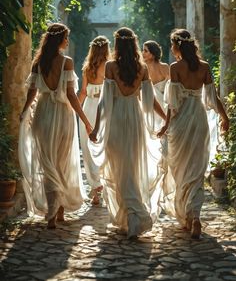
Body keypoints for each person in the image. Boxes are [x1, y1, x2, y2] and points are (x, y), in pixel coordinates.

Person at [88, 27, 166, 239]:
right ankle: (131, 216)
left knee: (118, 168)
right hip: (134, 120)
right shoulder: (142, 68)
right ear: (133, 44)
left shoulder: (111, 66)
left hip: (115, 121)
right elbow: (150, 101)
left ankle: (132, 215)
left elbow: (104, 102)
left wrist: (96, 128)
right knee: (130, 167)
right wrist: (166, 119)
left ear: (117, 44)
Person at [18, 23, 92, 229]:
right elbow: (70, 94)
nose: (67, 41)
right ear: (60, 40)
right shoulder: (66, 63)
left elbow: (32, 92)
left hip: (42, 113)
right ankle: (57, 212)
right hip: (62, 115)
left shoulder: (38, 62)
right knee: (61, 162)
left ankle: (54, 211)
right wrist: (85, 120)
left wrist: (25, 111)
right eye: (66, 37)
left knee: (47, 162)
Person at [157, 28, 229, 239]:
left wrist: (166, 125)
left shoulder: (175, 67)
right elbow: (213, 97)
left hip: (181, 122)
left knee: (180, 169)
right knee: (197, 169)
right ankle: (195, 216)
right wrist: (225, 118)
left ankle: (188, 215)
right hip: (198, 119)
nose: (171, 48)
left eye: (172, 44)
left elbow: (172, 103)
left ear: (177, 46)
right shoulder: (204, 67)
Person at [78, 36, 111, 205]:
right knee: (105, 147)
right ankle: (105, 185)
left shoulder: (87, 68)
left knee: (88, 148)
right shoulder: (110, 67)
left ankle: (95, 189)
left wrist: (75, 109)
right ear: (106, 49)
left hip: (89, 109)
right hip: (105, 109)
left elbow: (82, 92)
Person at [142, 40, 169, 130]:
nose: (142, 53)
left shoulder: (164, 67)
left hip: (162, 105)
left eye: (145, 51)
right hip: (148, 106)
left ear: (153, 53)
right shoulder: (142, 69)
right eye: (143, 50)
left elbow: (172, 87)